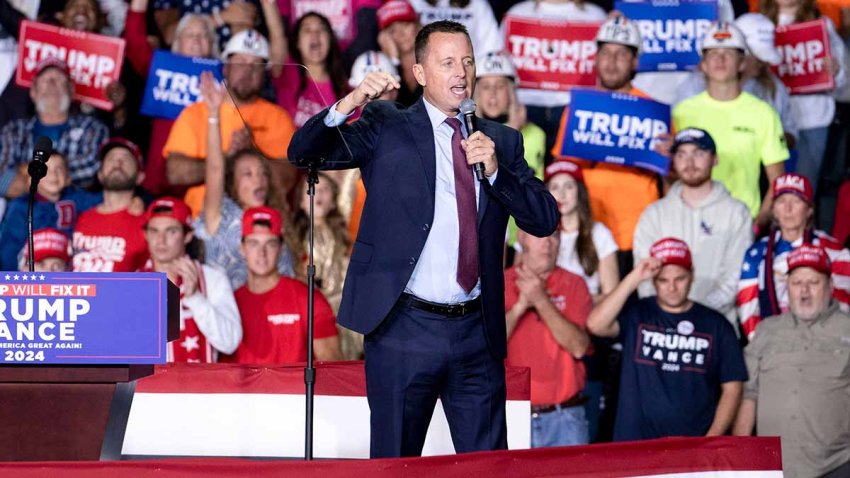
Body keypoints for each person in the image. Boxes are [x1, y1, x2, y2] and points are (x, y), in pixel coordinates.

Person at [287, 21, 559, 457]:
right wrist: (351, 101)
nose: (461, 73)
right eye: (447, 62)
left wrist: (494, 172)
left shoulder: (502, 141)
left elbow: (545, 219)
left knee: (487, 468)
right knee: (395, 462)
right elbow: (303, 152)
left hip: (477, 332)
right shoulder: (385, 122)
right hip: (403, 330)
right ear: (419, 73)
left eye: (467, 62)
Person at [587, 238, 748, 441]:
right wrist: (634, 277)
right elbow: (595, 324)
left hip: (693, 447)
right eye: (663, 280)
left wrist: (712, 438)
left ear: (692, 276)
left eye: (679, 279)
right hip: (635, 444)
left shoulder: (716, 324)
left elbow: (733, 387)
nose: (671, 287)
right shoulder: (637, 313)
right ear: (653, 281)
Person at [551, 16, 661, 269]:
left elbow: (668, 178)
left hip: (637, 233)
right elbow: (561, 171)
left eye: (621, 54)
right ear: (596, 57)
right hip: (585, 231)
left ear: (634, 61)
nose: (611, 62)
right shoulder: (578, 109)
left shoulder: (653, 112)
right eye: (606, 53)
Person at [734, 244, 850, 478]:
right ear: (787, 288)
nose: (804, 291)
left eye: (813, 282)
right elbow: (749, 395)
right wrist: (740, 460)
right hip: (772, 467)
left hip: (837, 465)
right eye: (797, 283)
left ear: (829, 285)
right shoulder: (766, 330)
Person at [164, 28, 297, 216]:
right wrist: (229, 159)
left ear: (264, 74)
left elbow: (287, 180)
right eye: (241, 62)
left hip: (259, 227)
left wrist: (252, 151)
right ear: (226, 67)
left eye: (256, 65)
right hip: (201, 220)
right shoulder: (195, 113)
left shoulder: (279, 118)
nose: (248, 71)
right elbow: (175, 173)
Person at [673, 22, 789, 229]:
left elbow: (778, 181)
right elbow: (670, 174)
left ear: (742, 63)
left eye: (729, 52)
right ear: (703, 64)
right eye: (713, 53)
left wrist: (758, 223)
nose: (720, 58)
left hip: (742, 223)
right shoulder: (681, 113)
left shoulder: (763, 113)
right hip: (689, 223)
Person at [634, 128, 753, 326]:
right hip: (662, 325)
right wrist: (668, 313)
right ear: (673, 161)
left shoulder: (737, 213)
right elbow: (644, 276)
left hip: (716, 326)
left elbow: (736, 276)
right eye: (681, 155)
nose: (689, 163)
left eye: (698, 153)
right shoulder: (653, 214)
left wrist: (695, 314)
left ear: (715, 159)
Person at [192, 71, 293, 289]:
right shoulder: (221, 215)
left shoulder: (275, 219)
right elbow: (215, 168)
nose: (258, 179)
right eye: (247, 174)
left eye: (262, 173)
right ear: (232, 183)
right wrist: (213, 114)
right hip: (223, 317)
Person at [506, 229, 592, 448]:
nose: (548, 243)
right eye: (539, 234)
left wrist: (541, 301)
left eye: (554, 236)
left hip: (565, 416)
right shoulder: (500, 283)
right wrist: (519, 307)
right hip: (511, 416)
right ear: (522, 239)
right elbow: (486, 346)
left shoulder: (574, 284)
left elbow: (579, 347)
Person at [222, 206, 341, 364]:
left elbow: (332, 368)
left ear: (281, 248)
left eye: (270, 244)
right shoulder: (229, 304)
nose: (261, 253)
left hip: (293, 389)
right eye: (253, 243)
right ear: (242, 249)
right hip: (244, 389)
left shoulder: (308, 299)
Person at [737, 173, 850, 338]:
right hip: (773, 343)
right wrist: (761, 344)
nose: (788, 209)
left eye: (796, 201)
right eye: (781, 202)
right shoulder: (756, 253)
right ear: (773, 210)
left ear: (809, 209)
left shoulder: (834, 251)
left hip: (824, 342)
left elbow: (844, 303)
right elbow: (748, 306)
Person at [673, 13, 798, 149]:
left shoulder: (772, 87)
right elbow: (681, 141)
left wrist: (770, 139)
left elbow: (790, 134)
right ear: (741, 55)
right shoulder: (693, 87)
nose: (764, 62)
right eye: (758, 55)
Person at [140, 197, 242, 363]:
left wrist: (195, 298)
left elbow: (229, 342)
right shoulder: (133, 284)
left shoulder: (211, 278)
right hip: (150, 387)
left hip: (200, 387)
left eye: (171, 231)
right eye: (154, 231)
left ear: (187, 235)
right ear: (145, 235)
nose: (161, 240)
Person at [503, 0, 606, 160]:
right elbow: (499, 65)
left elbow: (606, 69)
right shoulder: (518, 12)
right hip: (525, 110)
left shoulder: (595, 16)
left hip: (573, 111)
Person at [760, 0, 847, 188]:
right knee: (770, 188)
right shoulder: (758, 25)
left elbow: (844, 81)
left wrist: (836, 70)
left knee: (804, 189)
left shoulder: (823, 24)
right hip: (770, 119)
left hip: (814, 118)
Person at [0, 58, 108, 197]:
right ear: (33, 91)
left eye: (58, 79)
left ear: (71, 90)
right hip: (22, 213)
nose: (52, 84)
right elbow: (2, 174)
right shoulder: (14, 131)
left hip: (77, 212)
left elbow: (93, 167)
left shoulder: (93, 128)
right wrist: (57, 171)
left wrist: (24, 172)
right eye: (45, 80)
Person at [0, 152, 99, 270]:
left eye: (59, 169)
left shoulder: (75, 198)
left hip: (66, 268)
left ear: (68, 178)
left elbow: (106, 200)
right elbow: (9, 248)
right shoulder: (21, 206)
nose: (53, 174)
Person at [72, 138, 150, 272]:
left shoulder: (149, 223)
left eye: (126, 159)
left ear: (140, 177)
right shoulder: (79, 217)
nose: (118, 163)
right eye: (111, 159)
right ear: (100, 175)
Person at [273, 12, 349, 128]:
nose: (315, 35)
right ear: (297, 42)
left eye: (321, 29)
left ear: (330, 40)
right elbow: (276, 34)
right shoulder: (287, 73)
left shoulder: (346, 90)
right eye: (307, 30)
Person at [376, 0, 423, 107]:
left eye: (405, 25)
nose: (400, 34)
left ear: (417, 25)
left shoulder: (433, 60)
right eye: (392, 30)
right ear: (383, 37)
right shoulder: (379, 66)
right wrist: (393, 61)